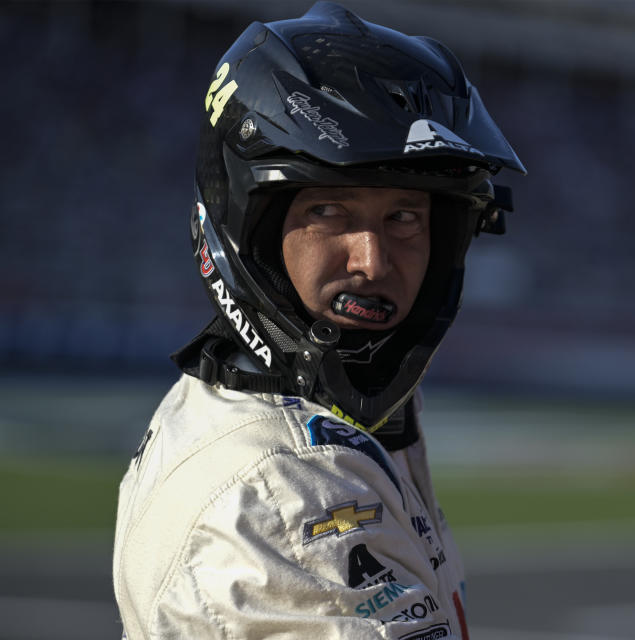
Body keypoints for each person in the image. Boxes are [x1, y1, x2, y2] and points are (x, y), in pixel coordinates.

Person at [111, 3, 524, 638]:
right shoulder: (284, 499)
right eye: (329, 210)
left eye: (405, 217)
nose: (372, 260)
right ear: (254, 228)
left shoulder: (332, 417)